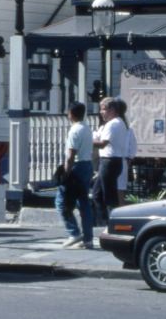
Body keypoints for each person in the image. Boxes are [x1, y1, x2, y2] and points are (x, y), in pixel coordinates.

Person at [56, 102, 95, 249]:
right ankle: (88, 239)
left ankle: (74, 233)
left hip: (77, 167)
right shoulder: (87, 128)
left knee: (61, 201)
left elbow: (71, 155)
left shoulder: (74, 130)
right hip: (87, 165)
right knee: (83, 202)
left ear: (71, 113)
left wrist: (66, 172)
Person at [91, 97, 130, 222]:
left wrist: (86, 141)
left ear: (112, 110)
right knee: (97, 194)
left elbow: (102, 143)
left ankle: (112, 222)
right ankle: (105, 221)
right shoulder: (118, 123)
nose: (101, 112)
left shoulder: (113, 124)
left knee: (108, 196)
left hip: (109, 161)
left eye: (103, 109)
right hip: (111, 161)